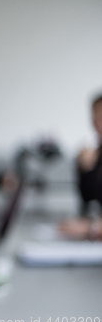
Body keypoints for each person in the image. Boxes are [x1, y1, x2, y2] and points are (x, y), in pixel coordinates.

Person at [59, 94, 102, 240]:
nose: (97, 122)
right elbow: (88, 198)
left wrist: (92, 227)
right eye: (94, 115)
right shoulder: (96, 154)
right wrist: (86, 170)